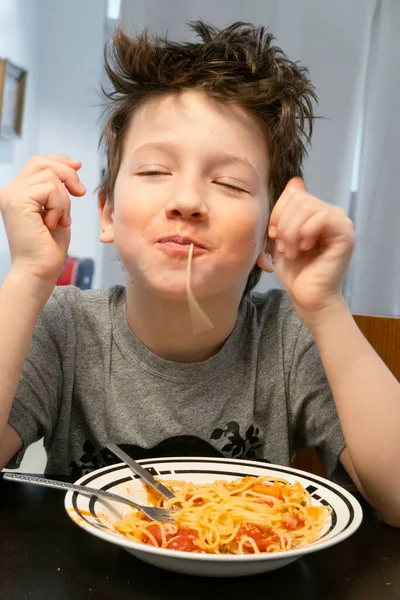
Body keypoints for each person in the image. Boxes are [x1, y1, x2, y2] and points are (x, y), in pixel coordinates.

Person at [0, 22, 399, 527]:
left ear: (271, 234)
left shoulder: (288, 339)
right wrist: (28, 277)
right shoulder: (66, 329)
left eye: (229, 183)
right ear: (106, 213)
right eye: (153, 172)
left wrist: (326, 306)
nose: (187, 201)